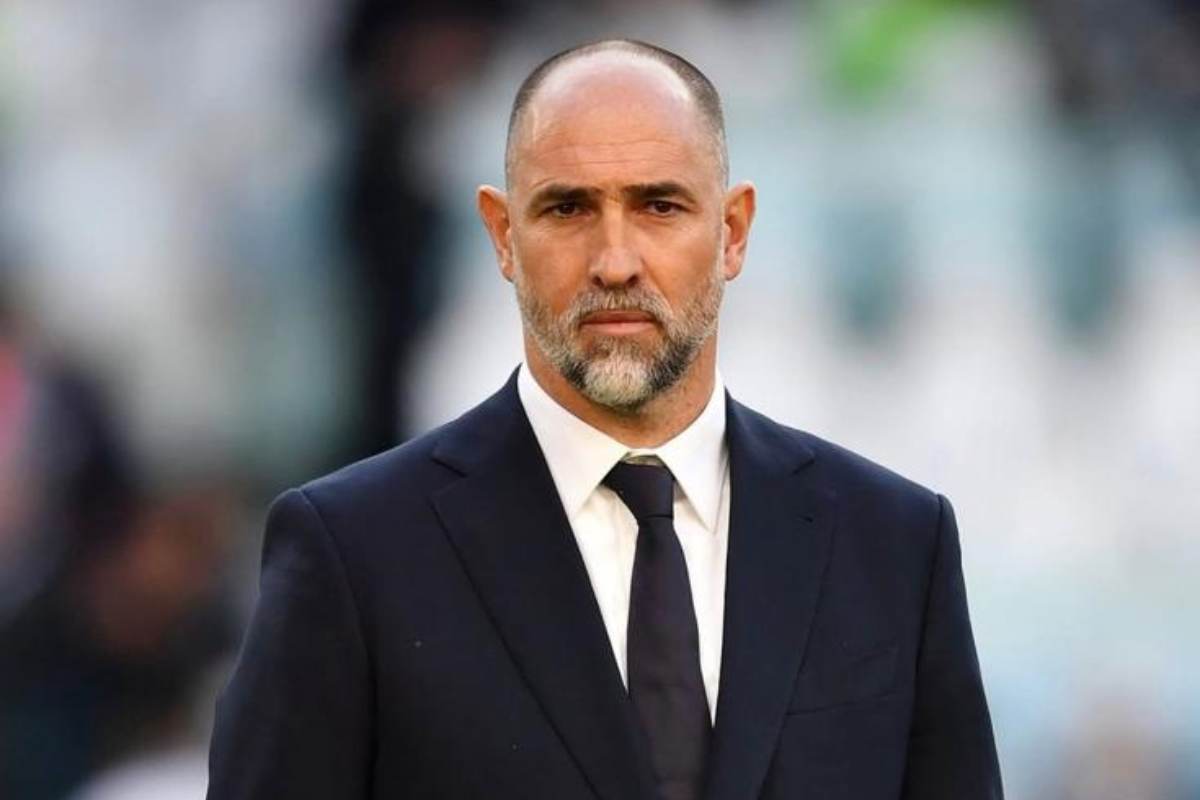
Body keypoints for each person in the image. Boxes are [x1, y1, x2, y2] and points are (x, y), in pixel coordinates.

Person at [207, 39, 1003, 799]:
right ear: (502, 235)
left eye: (659, 205)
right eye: (568, 208)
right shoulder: (353, 554)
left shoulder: (895, 545)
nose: (615, 261)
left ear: (732, 232)